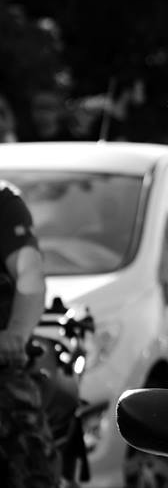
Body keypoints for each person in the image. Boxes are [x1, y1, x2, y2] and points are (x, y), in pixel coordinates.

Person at [0, 180, 57, 487]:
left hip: (3, 357)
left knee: (26, 449)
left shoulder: (3, 202)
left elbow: (29, 272)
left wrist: (16, 334)